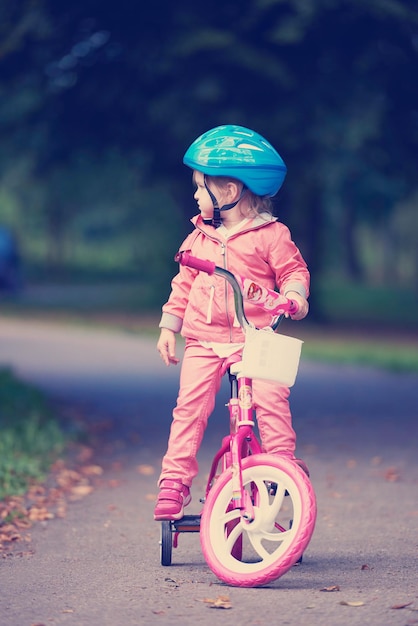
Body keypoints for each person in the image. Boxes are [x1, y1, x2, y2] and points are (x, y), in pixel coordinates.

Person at [154, 124, 310, 521]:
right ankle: (174, 482)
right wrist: (168, 327)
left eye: (200, 187)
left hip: (257, 337)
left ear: (229, 191)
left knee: (272, 401)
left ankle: (280, 469)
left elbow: (293, 271)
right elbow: (182, 284)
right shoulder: (199, 237)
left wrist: (293, 297)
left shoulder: (271, 235)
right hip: (204, 340)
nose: (194, 195)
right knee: (189, 409)